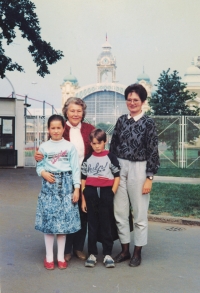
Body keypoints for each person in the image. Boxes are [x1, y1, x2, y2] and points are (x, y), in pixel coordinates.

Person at [35, 97, 95, 262]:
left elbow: (98, 147)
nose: (75, 114)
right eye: (72, 110)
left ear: (83, 113)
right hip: (66, 177)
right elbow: (47, 153)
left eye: (79, 111)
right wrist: (38, 158)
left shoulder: (90, 129)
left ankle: (78, 247)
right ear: (66, 112)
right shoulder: (61, 127)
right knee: (66, 211)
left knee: (82, 211)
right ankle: (65, 250)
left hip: (85, 175)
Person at [110, 83, 160, 267]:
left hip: (140, 168)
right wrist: (113, 171)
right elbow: (113, 147)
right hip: (120, 168)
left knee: (139, 213)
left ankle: (137, 252)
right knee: (120, 212)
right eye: (129, 99)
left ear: (143, 102)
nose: (132, 103)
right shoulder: (122, 121)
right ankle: (124, 250)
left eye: (136, 100)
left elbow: (153, 151)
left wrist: (150, 177)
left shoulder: (148, 123)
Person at [35, 114, 81, 270]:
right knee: (49, 224)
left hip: (67, 186)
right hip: (49, 186)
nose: (56, 131)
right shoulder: (43, 147)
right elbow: (39, 166)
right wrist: (43, 173)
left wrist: (76, 189)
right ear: (48, 129)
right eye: (52, 128)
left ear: (63, 128)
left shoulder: (70, 147)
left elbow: (75, 169)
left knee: (63, 225)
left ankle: (61, 257)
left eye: (58, 128)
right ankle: (49, 257)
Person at [81, 129, 120, 268]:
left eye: (99, 143)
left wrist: (112, 192)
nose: (97, 146)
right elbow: (83, 179)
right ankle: (92, 253)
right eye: (94, 143)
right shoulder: (88, 158)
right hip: (90, 193)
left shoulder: (111, 157)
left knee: (106, 223)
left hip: (106, 192)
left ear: (105, 142)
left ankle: (107, 254)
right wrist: (84, 198)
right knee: (92, 224)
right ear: (90, 144)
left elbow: (117, 176)